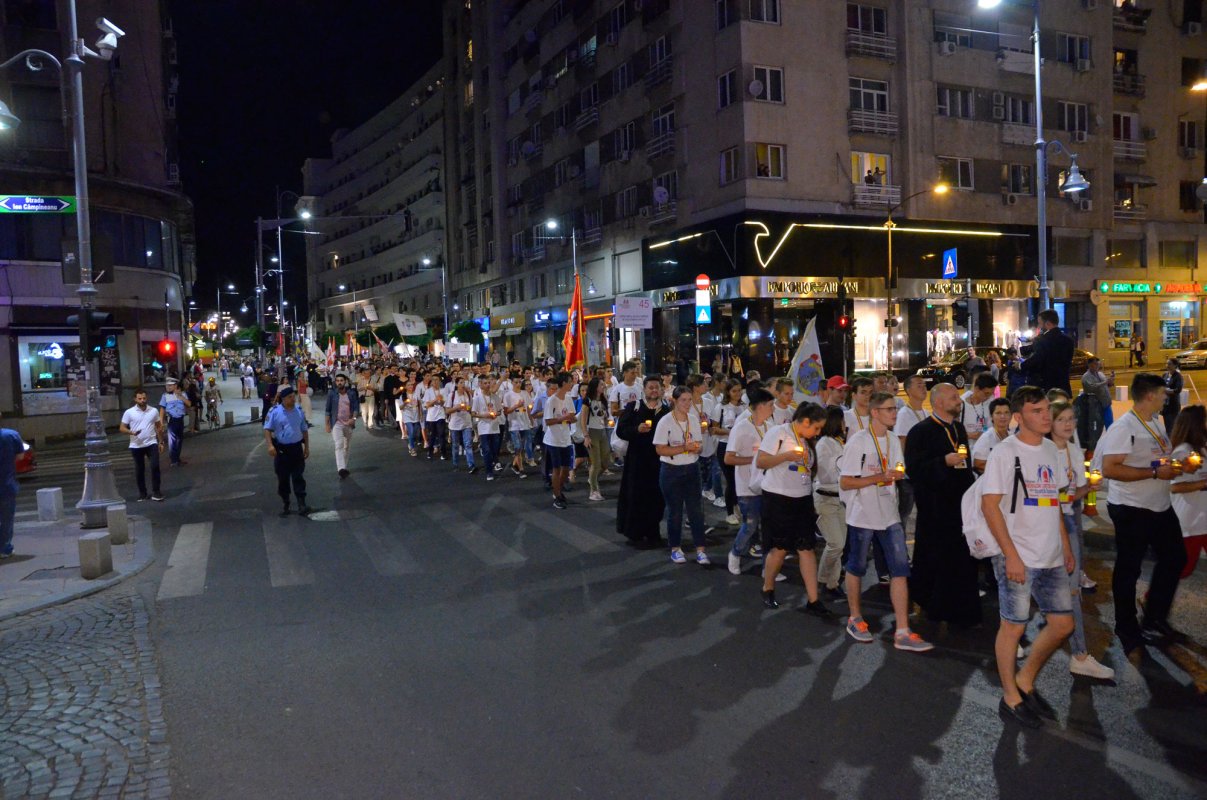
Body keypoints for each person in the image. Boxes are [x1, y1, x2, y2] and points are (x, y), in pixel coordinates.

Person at [982, 386, 1076, 728]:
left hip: (1050, 554)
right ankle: (1010, 696)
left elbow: (1054, 501)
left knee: (1063, 624)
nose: (1046, 416)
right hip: (1018, 553)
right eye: (1037, 411)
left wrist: (1064, 546)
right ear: (1019, 418)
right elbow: (989, 505)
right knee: (1013, 626)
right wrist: (1011, 556)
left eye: (1046, 409)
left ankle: (1025, 679)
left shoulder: (1052, 449)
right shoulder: (1005, 452)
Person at [1097, 372, 1190, 654]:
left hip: (1159, 506)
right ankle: (1126, 627)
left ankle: (1154, 618)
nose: (1166, 399)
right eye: (1163, 394)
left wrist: (1177, 466)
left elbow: (1160, 459)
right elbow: (1110, 469)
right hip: (1131, 509)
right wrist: (1153, 472)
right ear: (1150, 395)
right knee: (1129, 568)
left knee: (1176, 558)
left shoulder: (1155, 422)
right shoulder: (1125, 427)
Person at [840, 392, 931, 651]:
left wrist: (896, 475)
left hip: (889, 514)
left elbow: (898, 470)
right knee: (856, 566)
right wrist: (878, 477)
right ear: (875, 413)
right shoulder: (858, 441)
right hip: (862, 514)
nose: (894, 413)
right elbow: (845, 481)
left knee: (900, 570)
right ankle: (855, 617)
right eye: (889, 409)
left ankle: (903, 630)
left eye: (895, 408)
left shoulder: (892, 439)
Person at [1048, 399, 1115, 679]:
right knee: (1030, 585)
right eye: (1061, 419)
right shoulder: (1042, 452)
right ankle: (1013, 637)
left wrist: (1089, 487)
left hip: (1069, 519)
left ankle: (1080, 654)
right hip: (1044, 525)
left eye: (1071, 419)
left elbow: (1071, 494)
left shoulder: (1075, 451)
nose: (1068, 423)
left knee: (1072, 589)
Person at [906, 383, 981, 628]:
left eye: (958, 397)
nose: (958, 401)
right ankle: (934, 605)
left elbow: (966, 464)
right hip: (935, 507)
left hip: (960, 504)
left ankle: (962, 607)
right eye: (953, 398)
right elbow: (914, 469)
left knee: (961, 558)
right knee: (936, 558)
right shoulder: (921, 431)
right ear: (938, 402)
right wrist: (943, 462)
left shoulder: (957, 428)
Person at [756, 403, 832, 614]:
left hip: (802, 499)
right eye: (816, 428)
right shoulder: (778, 433)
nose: (817, 433)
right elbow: (760, 461)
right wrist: (786, 457)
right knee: (779, 549)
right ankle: (768, 587)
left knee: (807, 548)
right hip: (779, 499)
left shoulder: (806, 441)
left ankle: (813, 600)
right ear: (805, 421)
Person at [653, 386, 710, 565]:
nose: (687, 404)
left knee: (696, 511)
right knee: (675, 511)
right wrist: (684, 448)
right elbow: (660, 449)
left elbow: (699, 444)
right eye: (683, 400)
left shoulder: (693, 419)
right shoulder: (665, 421)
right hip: (671, 470)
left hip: (692, 468)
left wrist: (696, 447)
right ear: (675, 402)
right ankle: (675, 548)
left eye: (689, 400)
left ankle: (700, 550)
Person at [725, 388, 775, 575]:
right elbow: (729, 458)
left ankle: (767, 569)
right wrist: (755, 460)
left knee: (768, 527)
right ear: (760, 406)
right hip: (747, 485)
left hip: (769, 485)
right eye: (770, 405)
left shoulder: (770, 426)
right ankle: (735, 553)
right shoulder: (742, 427)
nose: (773, 408)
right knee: (751, 525)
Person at [616, 375, 669, 547]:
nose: (654, 390)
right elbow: (621, 431)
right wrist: (636, 429)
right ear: (644, 390)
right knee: (636, 495)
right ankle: (635, 531)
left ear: (661, 389)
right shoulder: (634, 407)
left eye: (657, 387)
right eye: (650, 387)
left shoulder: (666, 410)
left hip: (659, 459)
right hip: (637, 459)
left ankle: (653, 530)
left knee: (656, 496)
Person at [1170, 406, 1207, 581]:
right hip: (1191, 521)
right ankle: (1151, 600)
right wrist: (1203, 483)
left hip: (1203, 518)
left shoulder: (1203, 447)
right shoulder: (1182, 452)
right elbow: (1174, 486)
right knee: (1183, 568)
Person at [814, 406, 847, 599]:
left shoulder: (839, 442)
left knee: (839, 545)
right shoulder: (824, 444)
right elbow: (825, 476)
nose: (845, 425)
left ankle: (832, 584)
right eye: (842, 421)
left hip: (840, 499)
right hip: (825, 498)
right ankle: (822, 578)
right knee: (836, 543)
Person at [263, 386, 311, 517]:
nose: (293, 399)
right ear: (283, 399)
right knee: (283, 479)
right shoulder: (274, 412)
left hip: (296, 449)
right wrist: (270, 446)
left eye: (293, 396)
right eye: (290, 397)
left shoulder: (299, 411)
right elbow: (267, 429)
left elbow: (304, 430)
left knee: (298, 477)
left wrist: (306, 447)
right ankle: (286, 503)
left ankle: (302, 503)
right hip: (282, 451)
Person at [120, 389, 165, 502]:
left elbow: (158, 427)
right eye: (140, 398)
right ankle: (142, 493)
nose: (142, 400)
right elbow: (122, 428)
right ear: (135, 399)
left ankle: (156, 492)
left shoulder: (153, 411)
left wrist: (161, 442)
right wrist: (131, 432)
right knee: (140, 469)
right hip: (136, 445)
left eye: (144, 398)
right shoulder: (129, 412)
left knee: (155, 466)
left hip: (151, 443)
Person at [1021, 309, 1074, 395]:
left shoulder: (1042, 340)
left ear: (1048, 324)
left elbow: (1037, 359)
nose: (1039, 326)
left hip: (1046, 388)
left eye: (1040, 323)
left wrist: (1020, 365)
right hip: (1063, 387)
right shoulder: (1068, 340)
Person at [580, 376, 613, 501]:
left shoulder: (603, 399)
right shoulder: (587, 400)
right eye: (601, 385)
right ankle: (594, 490)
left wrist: (606, 420)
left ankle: (592, 478)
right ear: (595, 387)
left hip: (602, 432)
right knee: (596, 463)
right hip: (592, 432)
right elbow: (583, 420)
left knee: (605, 462)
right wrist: (586, 436)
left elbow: (604, 417)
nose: (603, 386)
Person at [324, 373, 360, 479]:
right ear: (335, 382)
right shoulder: (331, 393)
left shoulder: (352, 393)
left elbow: (356, 408)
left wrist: (353, 419)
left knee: (346, 446)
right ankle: (341, 468)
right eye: (337, 380)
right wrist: (327, 424)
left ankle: (344, 466)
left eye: (341, 380)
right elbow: (327, 410)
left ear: (345, 381)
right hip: (336, 423)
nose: (339, 382)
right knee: (338, 445)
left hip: (348, 424)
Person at [472, 375, 503, 482]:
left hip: (494, 427)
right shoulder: (477, 398)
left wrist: (496, 414)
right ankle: (489, 472)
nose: (488, 385)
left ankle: (494, 463)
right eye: (485, 383)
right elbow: (473, 413)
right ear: (480, 385)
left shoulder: (495, 397)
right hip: (483, 427)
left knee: (494, 449)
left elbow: (499, 410)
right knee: (487, 450)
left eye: (489, 383)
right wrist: (484, 415)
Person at [972, 398, 1013, 472]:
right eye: (998, 413)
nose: (1003, 416)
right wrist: (1002, 471)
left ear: (1011, 415)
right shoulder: (986, 438)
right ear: (991, 416)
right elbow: (978, 464)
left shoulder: (1012, 436)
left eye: (1006, 412)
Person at [159, 378, 191, 467]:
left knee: (179, 440)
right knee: (172, 440)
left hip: (180, 419)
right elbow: (162, 409)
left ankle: (177, 458)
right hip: (172, 420)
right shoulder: (165, 396)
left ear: (175, 386)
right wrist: (161, 422)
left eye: (170, 385)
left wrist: (181, 397)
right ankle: (174, 460)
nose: (168, 387)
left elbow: (189, 404)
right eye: (166, 385)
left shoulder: (183, 394)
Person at [447, 378, 475, 473]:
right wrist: (456, 407)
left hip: (466, 423)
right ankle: (455, 464)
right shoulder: (452, 395)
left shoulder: (468, 394)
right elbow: (447, 410)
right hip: (455, 424)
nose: (463, 385)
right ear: (456, 384)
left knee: (468, 444)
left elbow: (470, 407)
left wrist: (466, 408)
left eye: (464, 382)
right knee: (455, 445)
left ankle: (471, 465)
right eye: (461, 383)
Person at [960, 373, 997, 444]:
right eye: (986, 393)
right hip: (966, 448)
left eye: (991, 394)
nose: (988, 397)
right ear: (976, 389)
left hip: (985, 447)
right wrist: (969, 435)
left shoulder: (991, 403)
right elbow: (953, 431)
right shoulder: (961, 405)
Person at [1080, 357, 1115, 429]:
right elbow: (1092, 387)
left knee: (1110, 426)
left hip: (1106, 404)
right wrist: (1105, 382)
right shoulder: (1086, 377)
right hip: (1095, 406)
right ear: (1089, 365)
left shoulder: (1100, 374)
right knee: (1095, 428)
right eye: (1095, 364)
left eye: (1098, 364)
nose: (1097, 366)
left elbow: (1107, 385)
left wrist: (1111, 381)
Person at [1162, 357, 1183, 433]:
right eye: (1166, 363)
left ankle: (1172, 442)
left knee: (1172, 427)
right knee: (1167, 426)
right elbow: (1161, 386)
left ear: (1175, 365)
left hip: (1173, 406)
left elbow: (1178, 390)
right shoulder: (1165, 375)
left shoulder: (1178, 376)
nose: (1167, 365)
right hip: (1165, 405)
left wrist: (1167, 391)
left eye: (1169, 364)